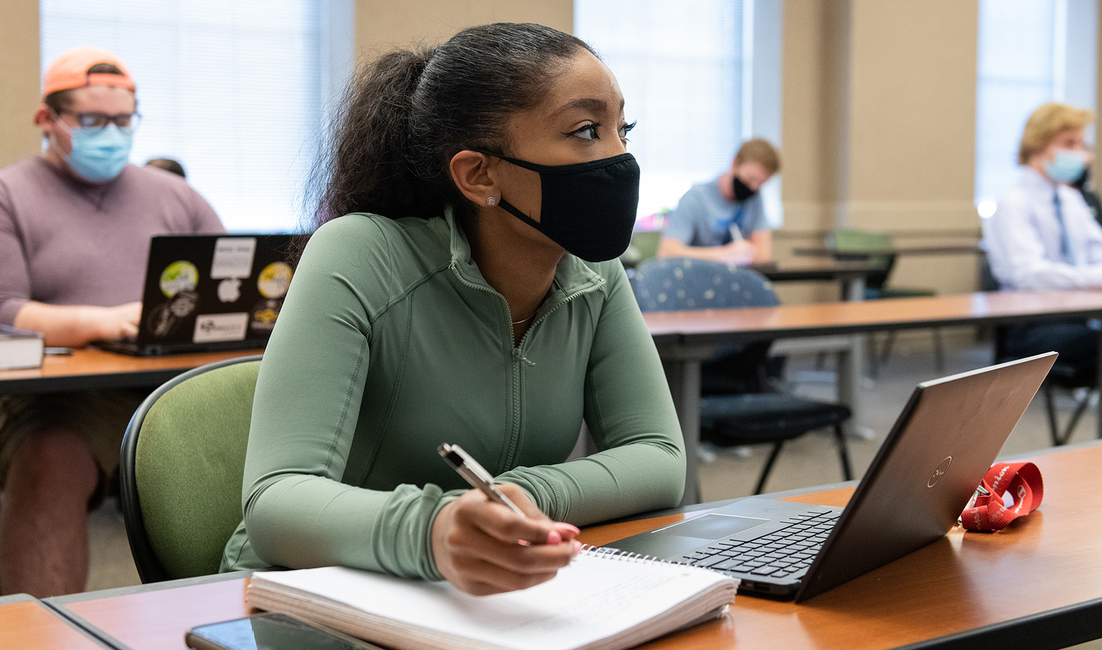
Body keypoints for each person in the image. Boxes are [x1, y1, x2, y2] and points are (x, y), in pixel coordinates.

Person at [219, 23, 685, 596]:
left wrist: (519, 499)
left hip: (478, 594)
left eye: (622, 129)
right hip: (304, 594)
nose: (620, 157)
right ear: (478, 174)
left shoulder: (594, 272)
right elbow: (276, 503)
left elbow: (659, 458)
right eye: (587, 131)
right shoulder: (359, 253)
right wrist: (436, 530)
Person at [0, 47, 224, 597]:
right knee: (49, 459)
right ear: (47, 119)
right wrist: (103, 321)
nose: (112, 134)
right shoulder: (11, 195)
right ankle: (37, 629)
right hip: (67, 399)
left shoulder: (176, 197)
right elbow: (6, 311)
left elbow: (231, 284)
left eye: (124, 121)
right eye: (93, 120)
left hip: (180, 381)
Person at [982, 102, 1102, 377]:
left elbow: (1100, 255)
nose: (1080, 153)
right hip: (1033, 324)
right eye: (1069, 143)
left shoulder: (1070, 199)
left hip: (1085, 314)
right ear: (1037, 145)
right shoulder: (1013, 204)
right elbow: (1029, 274)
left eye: (1081, 144)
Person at [657, 138, 780, 264]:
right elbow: (667, 253)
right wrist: (723, 255)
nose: (753, 187)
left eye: (760, 183)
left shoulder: (754, 199)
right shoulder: (695, 199)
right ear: (734, 163)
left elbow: (763, 255)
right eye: (750, 179)